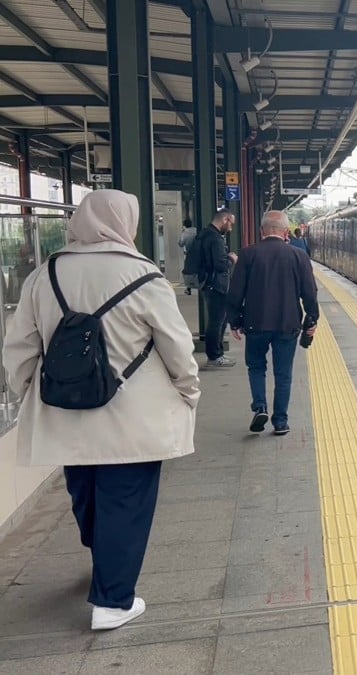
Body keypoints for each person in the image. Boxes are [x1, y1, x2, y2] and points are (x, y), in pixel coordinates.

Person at [2, 189, 200, 631]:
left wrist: (34, 392)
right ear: (125, 222)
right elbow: (177, 348)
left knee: (85, 492)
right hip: (134, 418)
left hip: (66, 414)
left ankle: (105, 560)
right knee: (126, 500)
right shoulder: (146, 278)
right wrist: (189, 393)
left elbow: (17, 352)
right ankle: (113, 601)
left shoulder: (43, 274)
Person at [227, 210, 319, 435]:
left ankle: (260, 407)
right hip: (288, 324)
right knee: (283, 373)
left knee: (256, 367)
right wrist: (312, 319)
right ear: (286, 232)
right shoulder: (299, 256)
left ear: (262, 231)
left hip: (255, 323)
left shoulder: (248, 255)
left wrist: (235, 321)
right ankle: (280, 422)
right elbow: (310, 292)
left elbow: (235, 292)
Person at [195, 208, 238, 368]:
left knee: (218, 321)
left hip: (208, 283)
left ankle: (217, 355)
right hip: (216, 285)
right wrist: (231, 259)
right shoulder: (215, 239)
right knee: (216, 322)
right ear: (225, 220)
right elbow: (220, 265)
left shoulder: (205, 234)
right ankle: (214, 357)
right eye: (231, 224)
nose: (231, 228)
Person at [177, 219, 196, 295]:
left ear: (184, 225)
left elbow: (180, 244)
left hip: (189, 254)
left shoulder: (185, 233)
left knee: (188, 271)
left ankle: (189, 288)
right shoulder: (196, 230)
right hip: (199, 253)